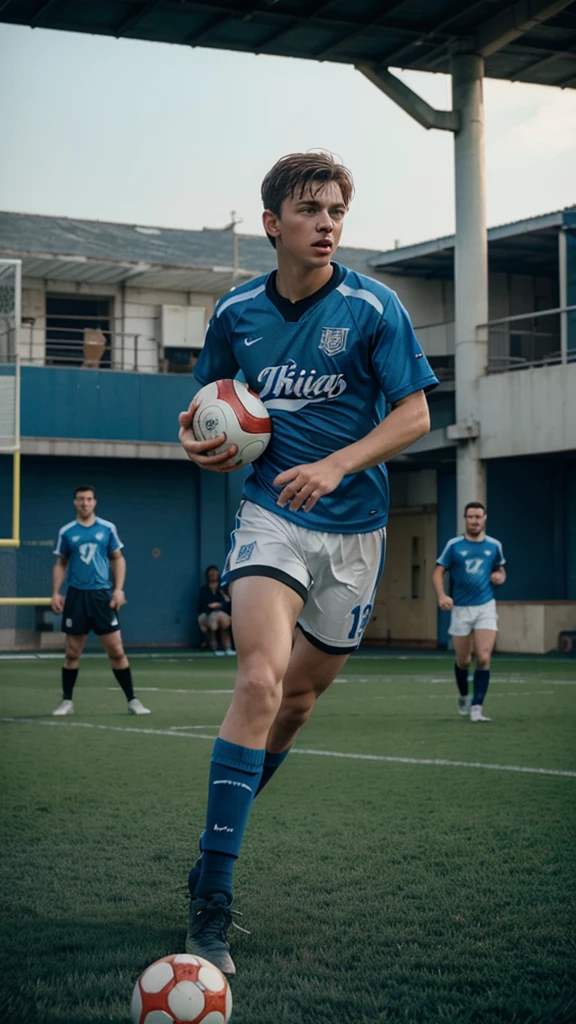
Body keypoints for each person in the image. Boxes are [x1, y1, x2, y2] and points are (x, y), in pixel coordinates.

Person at [177, 152, 438, 975]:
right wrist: (203, 441)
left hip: (355, 533)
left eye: (336, 211)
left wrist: (338, 464)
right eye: (310, 210)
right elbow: (205, 407)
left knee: (295, 707)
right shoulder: (236, 312)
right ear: (272, 225)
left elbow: (417, 415)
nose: (327, 224)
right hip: (272, 520)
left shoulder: (373, 307)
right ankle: (212, 900)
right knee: (258, 683)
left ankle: (217, 837)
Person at [51, 485, 150, 717]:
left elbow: (118, 558)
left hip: (101, 596)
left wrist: (118, 590)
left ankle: (132, 700)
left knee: (116, 650)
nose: (84, 503)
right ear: (75, 502)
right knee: (72, 652)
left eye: (88, 499)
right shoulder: (67, 531)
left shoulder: (107, 529)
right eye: (80, 499)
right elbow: (61, 563)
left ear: (94, 502)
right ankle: (67, 701)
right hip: (76, 596)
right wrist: (56, 592)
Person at [432, 501, 506, 723]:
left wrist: (500, 577)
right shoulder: (454, 546)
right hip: (461, 609)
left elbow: (500, 569)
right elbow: (438, 572)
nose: (474, 521)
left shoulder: (494, 546)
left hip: (485, 606)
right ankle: (464, 695)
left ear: (485, 518)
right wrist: (442, 596)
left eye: (478, 517)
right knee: (463, 660)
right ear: (465, 519)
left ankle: (477, 707)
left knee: (483, 657)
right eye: (470, 517)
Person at [198, 565, 235, 656]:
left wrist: (220, 605)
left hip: (223, 614)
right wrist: (211, 607)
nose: (213, 574)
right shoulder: (204, 589)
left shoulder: (224, 588)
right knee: (212, 619)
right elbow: (202, 604)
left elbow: (229, 603)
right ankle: (214, 647)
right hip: (209, 614)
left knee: (221, 619)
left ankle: (227, 647)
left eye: (215, 572)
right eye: (210, 573)